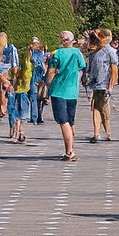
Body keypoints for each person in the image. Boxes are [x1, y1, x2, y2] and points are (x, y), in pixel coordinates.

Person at [46, 30, 87, 162]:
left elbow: (51, 72)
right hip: (72, 92)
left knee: (63, 122)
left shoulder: (57, 53)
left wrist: (47, 85)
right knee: (70, 121)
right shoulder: (77, 53)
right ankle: (71, 147)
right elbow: (82, 66)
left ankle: (69, 152)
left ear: (63, 41)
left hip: (59, 90)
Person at [87, 30, 118, 144]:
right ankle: (97, 133)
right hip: (96, 83)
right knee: (96, 107)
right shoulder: (95, 50)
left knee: (103, 108)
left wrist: (111, 86)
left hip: (104, 83)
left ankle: (106, 132)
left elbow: (114, 70)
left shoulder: (109, 51)